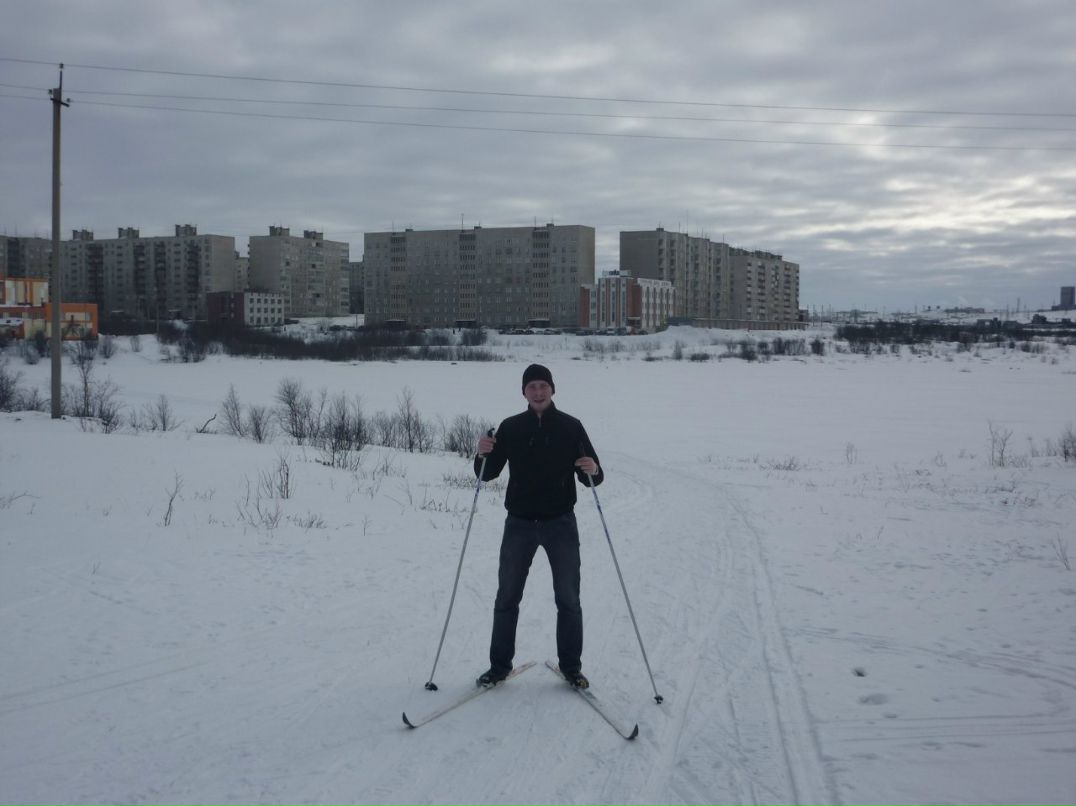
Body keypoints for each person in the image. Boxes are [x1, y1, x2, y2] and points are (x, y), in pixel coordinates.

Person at [473, 363, 604, 689]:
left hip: (561, 523)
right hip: (519, 523)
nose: (538, 391)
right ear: (524, 392)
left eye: (543, 385)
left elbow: (593, 477)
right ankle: (499, 667)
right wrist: (481, 454)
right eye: (532, 386)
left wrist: (593, 468)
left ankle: (571, 668)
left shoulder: (571, 427)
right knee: (507, 597)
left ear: (552, 389)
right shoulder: (511, 427)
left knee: (568, 599)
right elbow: (486, 474)